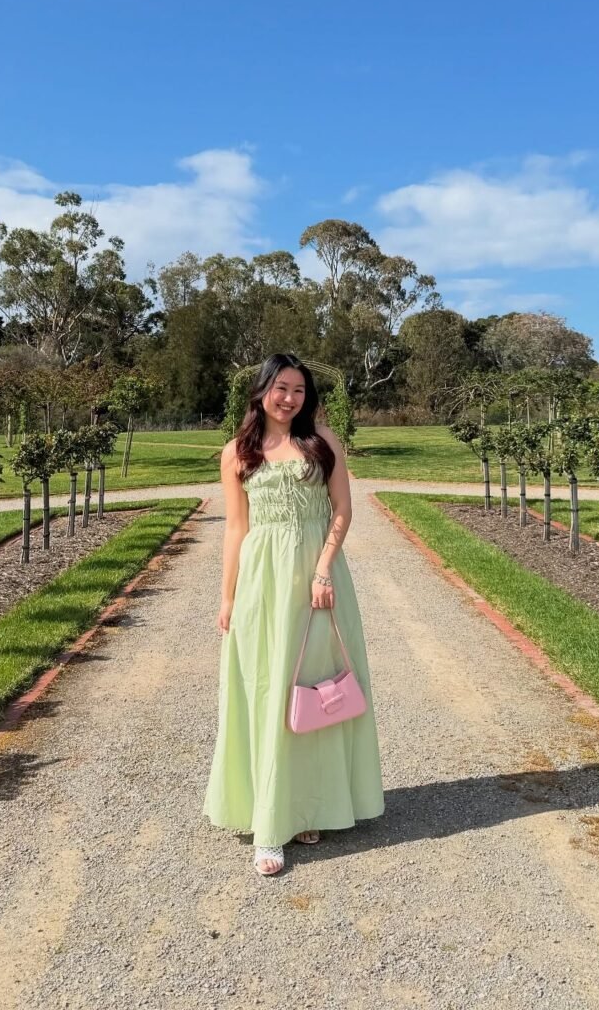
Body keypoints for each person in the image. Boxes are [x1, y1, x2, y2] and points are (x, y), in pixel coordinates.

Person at [202, 353, 385, 875]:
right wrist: (227, 597)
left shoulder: (322, 442)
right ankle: (269, 822)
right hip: (262, 583)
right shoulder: (237, 452)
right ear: (261, 391)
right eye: (281, 388)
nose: (290, 398)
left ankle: (310, 805)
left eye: (299, 390)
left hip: (318, 582)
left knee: (315, 691)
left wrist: (324, 568)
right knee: (267, 691)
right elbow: (236, 529)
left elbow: (343, 510)